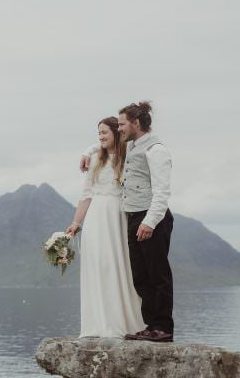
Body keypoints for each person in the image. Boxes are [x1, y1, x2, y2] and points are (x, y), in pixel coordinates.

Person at [79, 101, 174, 342]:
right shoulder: (131, 146)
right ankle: (150, 325)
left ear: (136, 123)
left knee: (158, 275)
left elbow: (162, 192)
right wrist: (87, 152)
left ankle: (162, 327)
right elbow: (105, 143)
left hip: (151, 218)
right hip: (133, 217)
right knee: (140, 277)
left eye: (122, 124)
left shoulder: (156, 150)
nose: (119, 128)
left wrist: (150, 222)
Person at [65, 116, 145, 338]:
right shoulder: (95, 160)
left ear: (117, 133)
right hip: (95, 218)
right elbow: (86, 195)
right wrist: (75, 223)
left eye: (104, 132)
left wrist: (87, 149)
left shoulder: (127, 155)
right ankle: (97, 324)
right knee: (96, 266)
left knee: (117, 265)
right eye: (98, 133)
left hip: (117, 216)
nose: (100, 137)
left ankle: (122, 322)